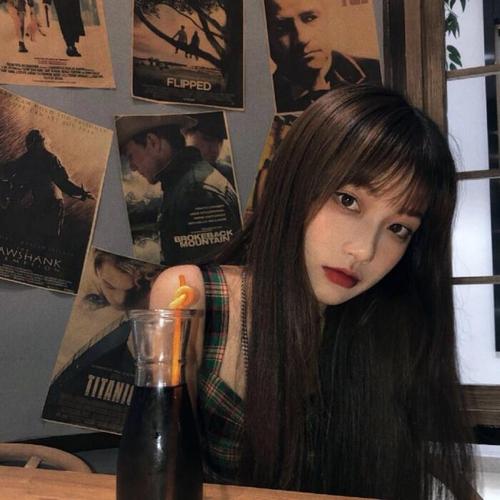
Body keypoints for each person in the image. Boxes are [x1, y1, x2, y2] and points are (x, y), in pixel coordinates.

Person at [149, 85, 477, 499]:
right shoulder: (192, 298)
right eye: (348, 200)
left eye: (398, 228)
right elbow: (162, 473)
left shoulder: (389, 322)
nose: (364, 251)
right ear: (298, 181)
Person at [116, 115, 242, 266]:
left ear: (153, 142)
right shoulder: (184, 184)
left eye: (131, 156)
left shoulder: (195, 191)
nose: (132, 167)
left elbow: (207, 272)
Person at [265, 0, 381, 113]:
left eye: (310, 18)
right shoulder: (264, 100)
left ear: (329, 19)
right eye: (282, 27)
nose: (302, 38)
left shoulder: (378, 74)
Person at [0, 129, 92, 243]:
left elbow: (63, 183)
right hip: (45, 204)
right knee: (40, 237)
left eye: (32, 143)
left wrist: (80, 192)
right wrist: (80, 193)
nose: (30, 147)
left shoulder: (43, 158)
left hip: (51, 205)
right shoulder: (36, 158)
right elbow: (11, 170)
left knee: (42, 238)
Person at [183, 112, 236, 188]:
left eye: (220, 141)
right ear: (186, 134)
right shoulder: (171, 173)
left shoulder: (229, 175)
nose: (215, 149)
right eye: (208, 139)